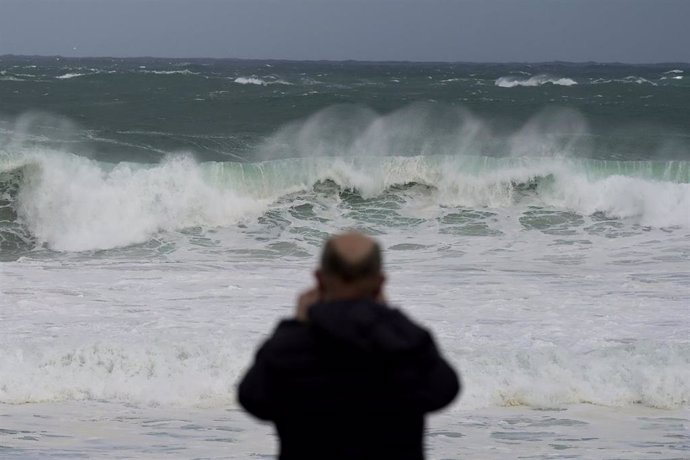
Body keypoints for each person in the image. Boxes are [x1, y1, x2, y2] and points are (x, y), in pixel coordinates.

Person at [238, 231, 460, 460]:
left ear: (319, 279)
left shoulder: (290, 347)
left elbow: (253, 400)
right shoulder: (406, 343)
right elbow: (445, 391)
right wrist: (388, 318)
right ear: (380, 282)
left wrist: (296, 324)